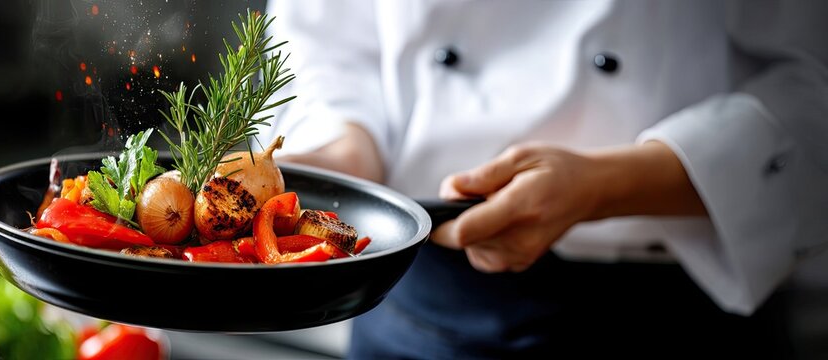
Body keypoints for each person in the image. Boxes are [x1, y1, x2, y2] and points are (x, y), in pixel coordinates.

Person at [260, 0, 828, 358]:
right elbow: (329, 43)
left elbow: (815, 82)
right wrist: (344, 149)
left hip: (674, 316)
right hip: (417, 303)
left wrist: (608, 184)